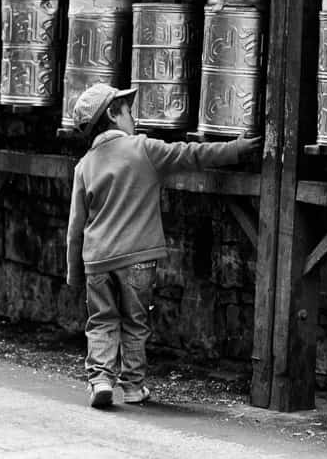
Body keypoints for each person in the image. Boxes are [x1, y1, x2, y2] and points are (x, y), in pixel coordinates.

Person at [65, 82, 262, 408]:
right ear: (114, 115)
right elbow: (192, 154)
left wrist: (74, 273)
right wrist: (236, 148)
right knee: (135, 322)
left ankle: (100, 379)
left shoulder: (84, 166)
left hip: (97, 261)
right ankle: (132, 386)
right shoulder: (142, 148)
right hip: (138, 259)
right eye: (128, 111)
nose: (133, 118)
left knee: (101, 321)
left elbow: (75, 228)